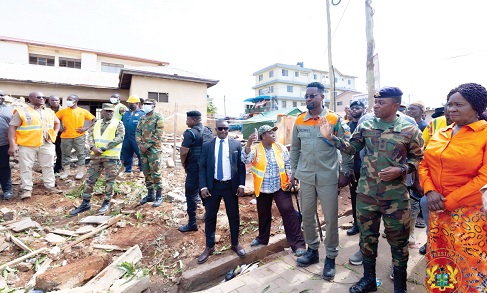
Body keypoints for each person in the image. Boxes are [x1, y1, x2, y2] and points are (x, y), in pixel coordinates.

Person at [320, 86, 424, 292]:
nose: (375, 106)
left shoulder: (410, 129)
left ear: (395, 105)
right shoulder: (365, 124)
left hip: (395, 197)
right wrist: (332, 138)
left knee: (399, 242)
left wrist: (401, 169)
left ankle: (400, 287)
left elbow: (418, 158)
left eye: (380, 103)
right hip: (367, 194)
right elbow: (352, 148)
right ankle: (368, 280)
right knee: (367, 238)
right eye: (375, 102)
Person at [418, 83, 487, 292]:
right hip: (438, 210)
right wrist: (429, 191)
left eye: (459, 104)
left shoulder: (484, 134)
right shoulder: (441, 132)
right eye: (449, 104)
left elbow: (484, 178)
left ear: (476, 107)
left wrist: (450, 201)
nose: (451, 109)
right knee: (440, 258)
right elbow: (424, 164)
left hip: (469, 214)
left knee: (469, 261)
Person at [289, 82, 353, 281]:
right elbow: (295, 150)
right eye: (306, 96)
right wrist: (294, 172)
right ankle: (312, 250)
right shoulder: (299, 121)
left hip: (327, 177)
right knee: (307, 215)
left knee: (331, 218)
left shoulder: (334, 119)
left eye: (312, 96)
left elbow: (347, 147)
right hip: (306, 177)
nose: (308, 99)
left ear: (322, 97)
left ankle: (331, 257)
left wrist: (346, 171)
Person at [242, 125, 306, 256]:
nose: (273, 135)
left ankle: (298, 244)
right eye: (270, 133)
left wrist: (291, 179)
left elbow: (288, 164)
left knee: (288, 212)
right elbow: (245, 159)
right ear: (263, 136)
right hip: (263, 189)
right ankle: (262, 239)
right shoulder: (255, 149)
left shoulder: (280, 147)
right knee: (263, 214)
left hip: (280, 187)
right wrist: (248, 144)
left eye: (273, 132)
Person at [197, 119, 246, 264]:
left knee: (233, 216)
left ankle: (235, 244)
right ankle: (209, 246)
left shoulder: (236, 144)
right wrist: (203, 187)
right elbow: (202, 167)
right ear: (215, 129)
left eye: (226, 128)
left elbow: (241, 166)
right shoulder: (207, 146)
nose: (223, 131)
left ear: (229, 129)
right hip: (213, 187)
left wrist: (241, 184)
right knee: (210, 217)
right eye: (220, 129)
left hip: (230, 187)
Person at [70, 103, 125, 216]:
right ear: (102, 112)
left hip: (110, 157)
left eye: (111, 111)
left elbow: (120, 137)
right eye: (106, 111)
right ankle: (85, 203)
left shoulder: (118, 123)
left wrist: (104, 148)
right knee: (90, 179)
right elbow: (89, 135)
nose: (109, 113)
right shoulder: (97, 123)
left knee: (109, 180)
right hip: (96, 156)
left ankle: (106, 202)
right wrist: (92, 147)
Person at [8, 92, 62, 199]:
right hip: (27, 144)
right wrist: (12, 145)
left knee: (48, 166)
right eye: (38, 97)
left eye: (43, 97)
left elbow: (57, 123)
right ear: (30, 98)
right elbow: (12, 127)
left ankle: (50, 186)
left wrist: (55, 133)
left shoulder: (49, 111)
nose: (42, 99)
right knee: (26, 167)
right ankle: (27, 189)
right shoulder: (22, 111)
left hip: (46, 143)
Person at [56, 94, 96, 180]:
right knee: (65, 154)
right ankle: (66, 171)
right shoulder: (63, 111)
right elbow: (54, 119)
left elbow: (94, 119)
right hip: (65, 137)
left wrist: (86, 128)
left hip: (79, 136)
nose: (68, 101)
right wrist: (60, 127)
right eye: (68, 99)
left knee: (81, 154)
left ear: (76, 101)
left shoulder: (82, 111)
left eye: (70, 99)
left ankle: (80, 171)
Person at [178, 110, 206, 232]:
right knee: (204, 191)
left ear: (193, 120)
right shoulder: (208, 131)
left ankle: (192, 223)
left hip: (194, 167)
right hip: (206, 168)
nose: (186, 121)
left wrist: (184, 164)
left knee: (191, 194)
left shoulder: (190, 133)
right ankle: (208, 215)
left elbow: (184, 152)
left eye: (188, 119)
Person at [136, 99, 165, 207]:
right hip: (143, 150)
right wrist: (140, 145)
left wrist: (146, 146)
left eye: (148, 104)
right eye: (145, 104)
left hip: (154, 150)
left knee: (155, 173)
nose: (146, 106)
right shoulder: (142, 118)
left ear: (154, 106)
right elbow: (137, 132)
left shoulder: (159, 117)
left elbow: (158, 134)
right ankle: (150, 194)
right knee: (146, 172)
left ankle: (159, 196)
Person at [346, 101, 365, 237]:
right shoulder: (347, 127)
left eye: (357, 108)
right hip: (354, 168)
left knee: (367, 197)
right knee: (354, 196)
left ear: (363, 110)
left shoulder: (367, 125)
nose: (354, 110)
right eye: (352, 108)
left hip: (367, 167)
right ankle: (356, 223)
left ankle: (367, 223)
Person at [121, 95, 144, 177]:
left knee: (140, 154)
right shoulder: (125, 114)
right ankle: (128, 170)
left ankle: (142, 170)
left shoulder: (142, 114)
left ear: (137, 103)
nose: (129, 104)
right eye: (129, 103)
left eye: (131, 103)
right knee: (126, 154)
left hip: (137, 138)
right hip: (126, 137)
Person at [0, 90, 14, 200]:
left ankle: (7, 190)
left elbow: (14, 127)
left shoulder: (9, 110)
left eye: (1, 95)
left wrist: (13, 144)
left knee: (4, 167)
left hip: (3, 144)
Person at [48, 95, 63, 174]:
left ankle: (58, 167)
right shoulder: (46, 110)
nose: (55, 102)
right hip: (49, 133)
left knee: (59, 151)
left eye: (56, 100)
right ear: (49, 101)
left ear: (59, 101)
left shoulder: (64, 110)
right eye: (53, 100)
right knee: (49, 150)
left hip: (61, 133)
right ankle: (48, 167)